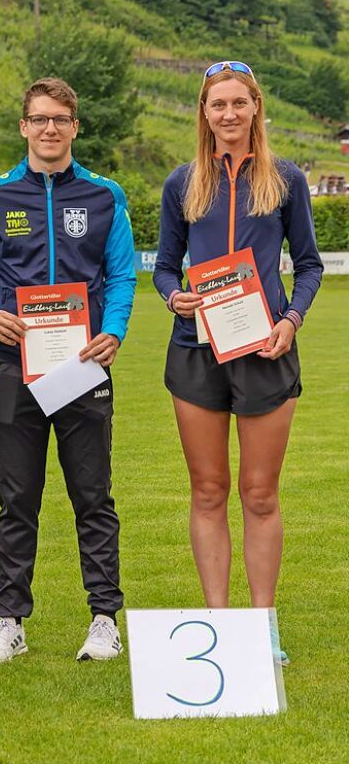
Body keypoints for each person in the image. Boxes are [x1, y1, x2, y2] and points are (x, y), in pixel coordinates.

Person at [0, 78, 136, 663]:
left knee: (93, 496)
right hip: (14, 367)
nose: (50, 128)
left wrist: (114, 331)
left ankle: (104, 618)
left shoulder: (105, 196)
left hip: (83, 365)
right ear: (24, 127)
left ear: (75, 127)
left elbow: (124, 275)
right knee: (16, 499)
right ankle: (10, 621)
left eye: (61, 118)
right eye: (39, 119)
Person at [153, 62, 323, 664]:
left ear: (256, 107)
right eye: (216, 105)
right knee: (207, 490)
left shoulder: (286, 179)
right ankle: (219, 626)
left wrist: (290, 320)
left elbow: (308, 264)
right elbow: (164, 266)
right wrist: (174, 297)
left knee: (259, 494)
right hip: (196, 350)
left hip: (265, 350)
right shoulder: (182, 182)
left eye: (237, 103)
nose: (227, 114)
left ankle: (262, 625)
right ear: (204, 113)